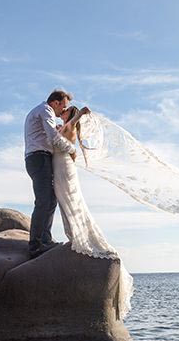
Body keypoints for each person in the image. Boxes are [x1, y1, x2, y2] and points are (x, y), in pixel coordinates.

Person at [53, 105, 134, 318]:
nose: (62, 113)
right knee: (65, 202)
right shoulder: (64, 127)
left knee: (71, 202)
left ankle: (80, 237)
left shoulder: (70, 126)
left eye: (65, 111)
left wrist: (80, 112)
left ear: (70, 115)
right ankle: (73, 235)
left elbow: (71, 123)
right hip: (61, 167)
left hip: (63, 168)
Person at [23, 89, 77, 259]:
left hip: (39, 158)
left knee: (51, 199)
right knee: (44, 200)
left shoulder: (42, 111)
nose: (63, 110)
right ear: (56, 103)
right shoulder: (45, 110)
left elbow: (50, 134)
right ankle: (36, 245)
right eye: (63, 106)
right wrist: (71, 149)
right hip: (39, 158)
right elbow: (53, 137)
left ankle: (45, 240)